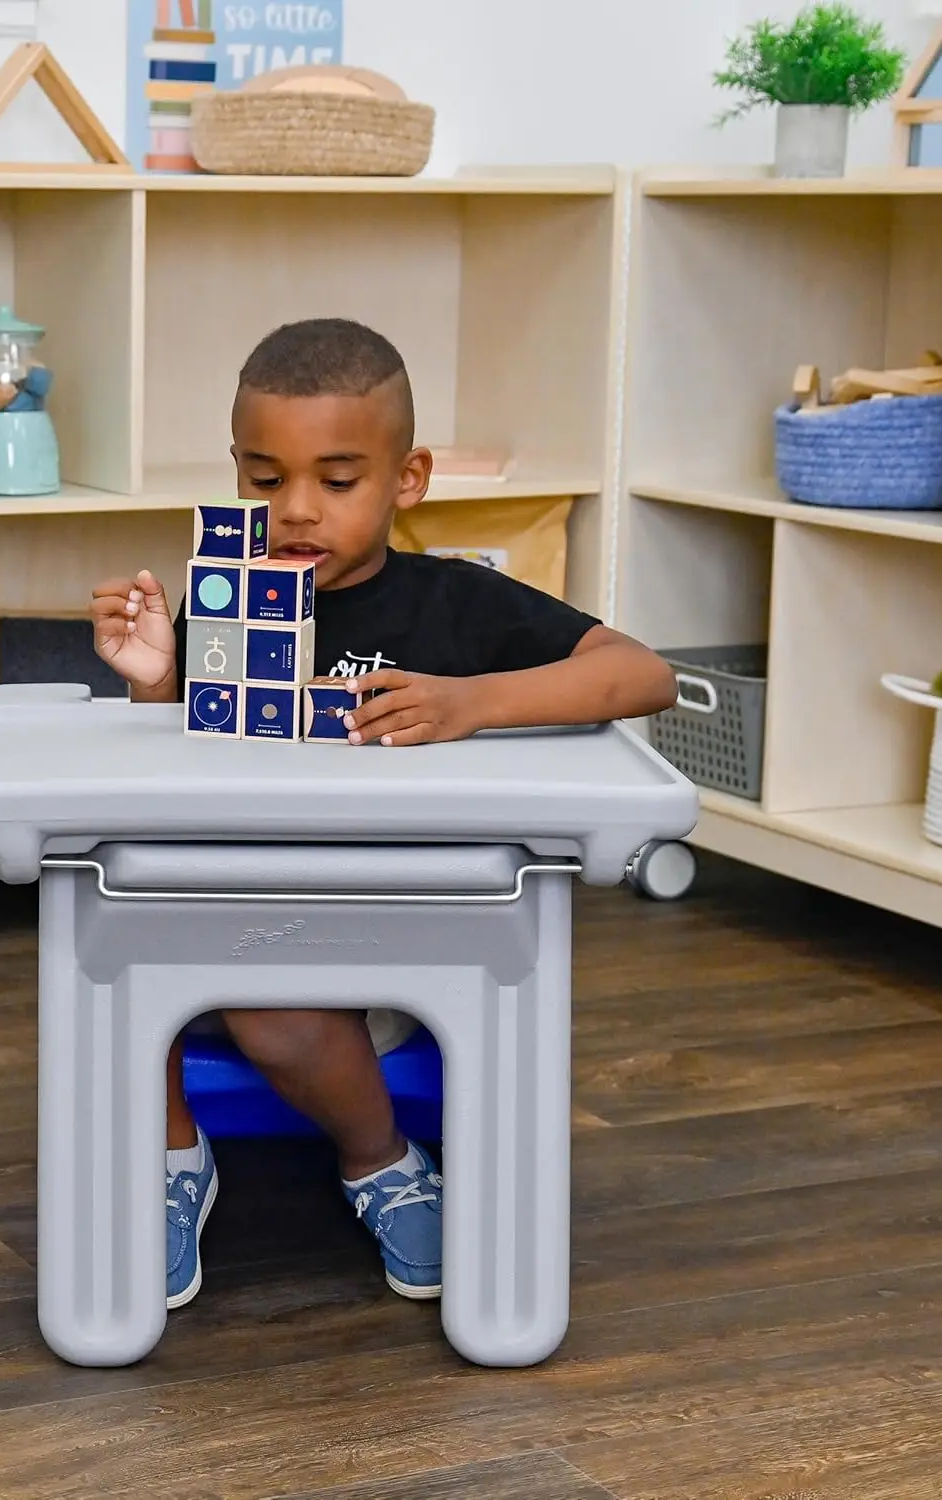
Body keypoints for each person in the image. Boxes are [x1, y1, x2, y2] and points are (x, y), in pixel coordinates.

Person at [90, 317, 678, 1311]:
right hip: (227, 919)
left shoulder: (458, 606)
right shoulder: (229, 601)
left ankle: (381, 1161)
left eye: (338, 479)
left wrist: (471, 701)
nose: (297, 511)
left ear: (408, 479)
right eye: (266, 480)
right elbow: (174, 784)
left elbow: (645, 674)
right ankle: (170, 1158)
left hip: (393, 943)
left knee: (266, 997)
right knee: (98, 931)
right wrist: (155, 684)